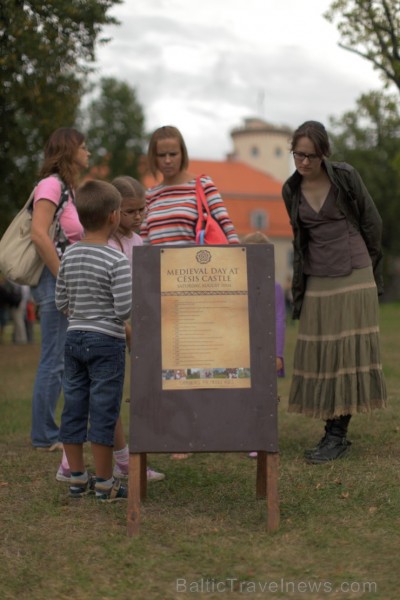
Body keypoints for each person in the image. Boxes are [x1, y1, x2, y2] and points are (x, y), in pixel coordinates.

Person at [282, 120, 387, 464]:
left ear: (324, 153)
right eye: (299, 154)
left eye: (311, 155)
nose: (305, 162)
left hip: (353, 272)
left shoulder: (345, 175)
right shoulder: (290, 189)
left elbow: (371, 221)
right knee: (322, 352)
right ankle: (331, 432)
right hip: (318, 276)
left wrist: (370, 269)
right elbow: (300, 241)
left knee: (345, 353)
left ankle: (336, 436)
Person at [142, 125, 240, 459]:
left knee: (200, 361)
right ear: (153, 156)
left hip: (197, 289)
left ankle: (202, 429)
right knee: (167, 366)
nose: (168, 160)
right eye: (161, 154)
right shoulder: (150, 196)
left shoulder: (202, 184)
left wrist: (240, 275)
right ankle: (179, 432)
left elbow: (226, 228)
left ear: (182, 152)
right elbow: (142, 244)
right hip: (160, 293)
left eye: (173, 153)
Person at [56, 179, 131, 501]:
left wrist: (81, 313)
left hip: (73, 339)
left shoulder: (69, 255)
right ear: (114, 216)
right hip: (106, 342)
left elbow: (61, 301)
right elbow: (124, 308)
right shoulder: (117, 261)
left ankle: (76, 478)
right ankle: (104, 482)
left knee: (73, 406)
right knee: (103, 410)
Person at [30, 127, 88, 450]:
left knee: (61, 356)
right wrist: (63, 277)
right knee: (54, 357)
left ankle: (52, 429)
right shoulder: (51, 185)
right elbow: (39, 234)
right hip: (54, 279)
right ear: (69, 150)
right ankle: (44, 435)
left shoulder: (68, 188)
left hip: (63, 278)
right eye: (84, 147)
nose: (88, 153)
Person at [108, 175, 165, 482]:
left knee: (137, 394)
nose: (138, 216)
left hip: (135, 327)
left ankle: (132, 459)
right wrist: (126, 327)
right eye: (131, 211)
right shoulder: (102, 242)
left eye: (142, 210)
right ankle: (119, 462)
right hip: (109, 329)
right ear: (112, 210)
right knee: (107, 397)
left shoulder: (139, 242)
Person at [242, 231, 286, 458]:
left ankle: (261, 438)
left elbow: (279, 320)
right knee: (244, 394)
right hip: (241, 350)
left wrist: (277, 353)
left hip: (265, 351)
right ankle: (245, 434)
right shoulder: (237, 286)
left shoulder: (275, 287)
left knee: (264, 395)